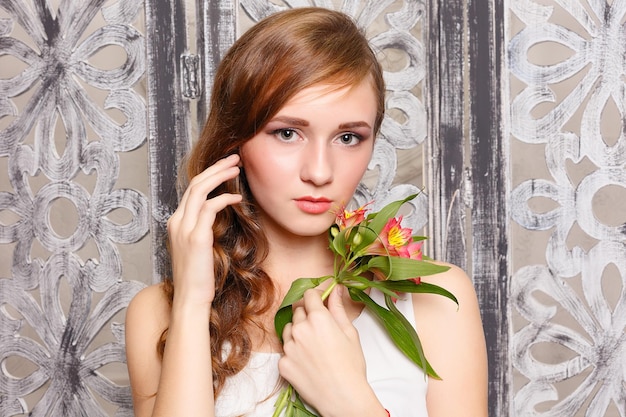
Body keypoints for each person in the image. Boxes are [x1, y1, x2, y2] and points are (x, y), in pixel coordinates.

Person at [125, 7, 488, 417]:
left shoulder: (437, 301)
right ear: (235, 140)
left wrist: (350, 402)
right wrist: (192, 301)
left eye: (348, 137)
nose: (319, 172)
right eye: (287, 133)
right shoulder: (159, 313)